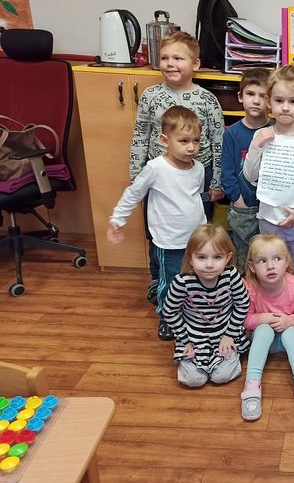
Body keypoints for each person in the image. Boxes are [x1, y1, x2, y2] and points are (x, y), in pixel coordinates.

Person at [130, 31, 225, 305]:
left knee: (197, 233)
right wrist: (136, 175)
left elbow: (218, 141)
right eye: (164, 58)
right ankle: (158, 280)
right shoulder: (151, 96)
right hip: (159, 179)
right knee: (158, 232)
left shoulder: (207, 100)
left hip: (198, 177)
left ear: (195, 64)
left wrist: (216, 181)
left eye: (178, 58)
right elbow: (140, 134)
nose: (170, 63)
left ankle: (195, 280)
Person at [108, 106, 206, 340]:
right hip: (168, 240)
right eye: (184, 141)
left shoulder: (199, 168)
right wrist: (117, 218)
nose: (191, 147)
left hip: (196, 239)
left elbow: (196, 198)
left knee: (194, 279)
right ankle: (168, 317)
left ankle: (191, 312)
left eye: (196, 141)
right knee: (170, 281)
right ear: (164, 140)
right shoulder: (155, 168)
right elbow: (134, 193)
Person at [242, 65, 294, 280]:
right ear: (269, 102)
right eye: (279, 101)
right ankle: (269, 299)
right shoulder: (262, 135)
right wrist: (257, 146)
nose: (285, 108)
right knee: (268, 265)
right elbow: (250, 176)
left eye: (292, 101)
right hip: (269, 218)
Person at [161, 224, 250, 387]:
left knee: (221, 377)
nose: (209, 264)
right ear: (190, 258)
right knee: (194, 380)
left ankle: (231, 355)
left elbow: (242, 303)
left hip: (225, 333)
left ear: (228, 258)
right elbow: (170, 311)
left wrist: (229, 335)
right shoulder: (182, 282)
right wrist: (185, 340)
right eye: (201, 257)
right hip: (193, 337)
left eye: (217, 257)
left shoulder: (232, 276)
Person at [240, 234, 294, 421]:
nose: (270, 266)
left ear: (286, 262)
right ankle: (252, 384)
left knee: (290, 332)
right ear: (252, 266)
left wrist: (290, 320)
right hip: (265, 341)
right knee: (263, 329)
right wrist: (263, 318)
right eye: (262, 261)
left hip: (291, 338)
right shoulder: (250, 288)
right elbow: (245, 320)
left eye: (277, 259)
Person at [221, 68, 271, 271]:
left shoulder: (276, 130)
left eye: (263, 96)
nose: (256, 101)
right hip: (243, 207)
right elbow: (227, 174)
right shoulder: (232, 134)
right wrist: (238, 202)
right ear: (240, 97)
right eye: (250, 94)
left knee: (268, 257)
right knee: (245, 258)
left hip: (270, 209)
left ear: (271, 100)